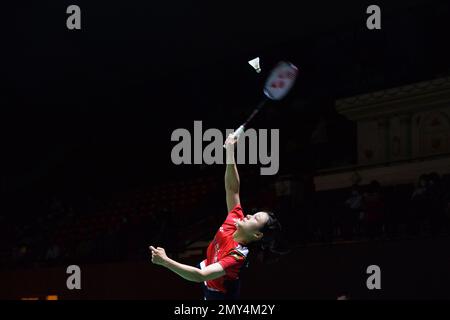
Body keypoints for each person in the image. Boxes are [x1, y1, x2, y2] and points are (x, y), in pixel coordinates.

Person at [150, 133, 282, 300]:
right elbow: (232, 189)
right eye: (253, 214)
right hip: (211, 276)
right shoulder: (235, 220)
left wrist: (165, 262)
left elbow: (200, 275)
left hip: (220, 296)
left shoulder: (236, 256)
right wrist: (230, 152)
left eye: (255, 219)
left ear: (257, 235)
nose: (248, 215)